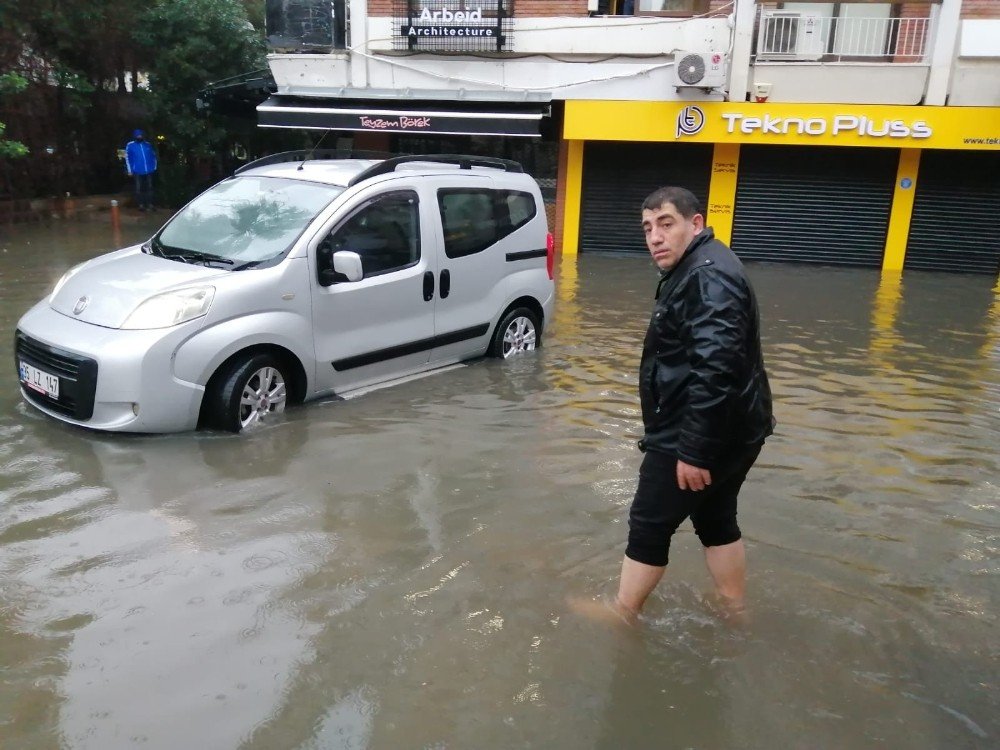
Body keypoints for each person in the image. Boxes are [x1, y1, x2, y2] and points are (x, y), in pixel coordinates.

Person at [612, 186, 774, 623]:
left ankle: (623, 615)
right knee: (716, 518)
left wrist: (693, 449)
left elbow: (717, 367)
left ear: (695, 223)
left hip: (697, 432)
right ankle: (735, 610)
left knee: (649, 523)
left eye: (666, 224)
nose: (655, 237)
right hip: (737, 428)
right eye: (647, 228)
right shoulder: (706, 264)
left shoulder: (706, 276)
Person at [125, 128, 158, 210]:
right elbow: (127, 158)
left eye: (141, 135)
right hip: (137, 171)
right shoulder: (130, 145)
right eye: (138, 135)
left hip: (149, 170)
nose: (139, 136)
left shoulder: (148, 145)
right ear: (135, 136)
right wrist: (130, 170)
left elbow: (153, 156)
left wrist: (154, 166)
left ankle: (150, 204)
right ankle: (141, 205)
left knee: (149, 188)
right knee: (138, 188)